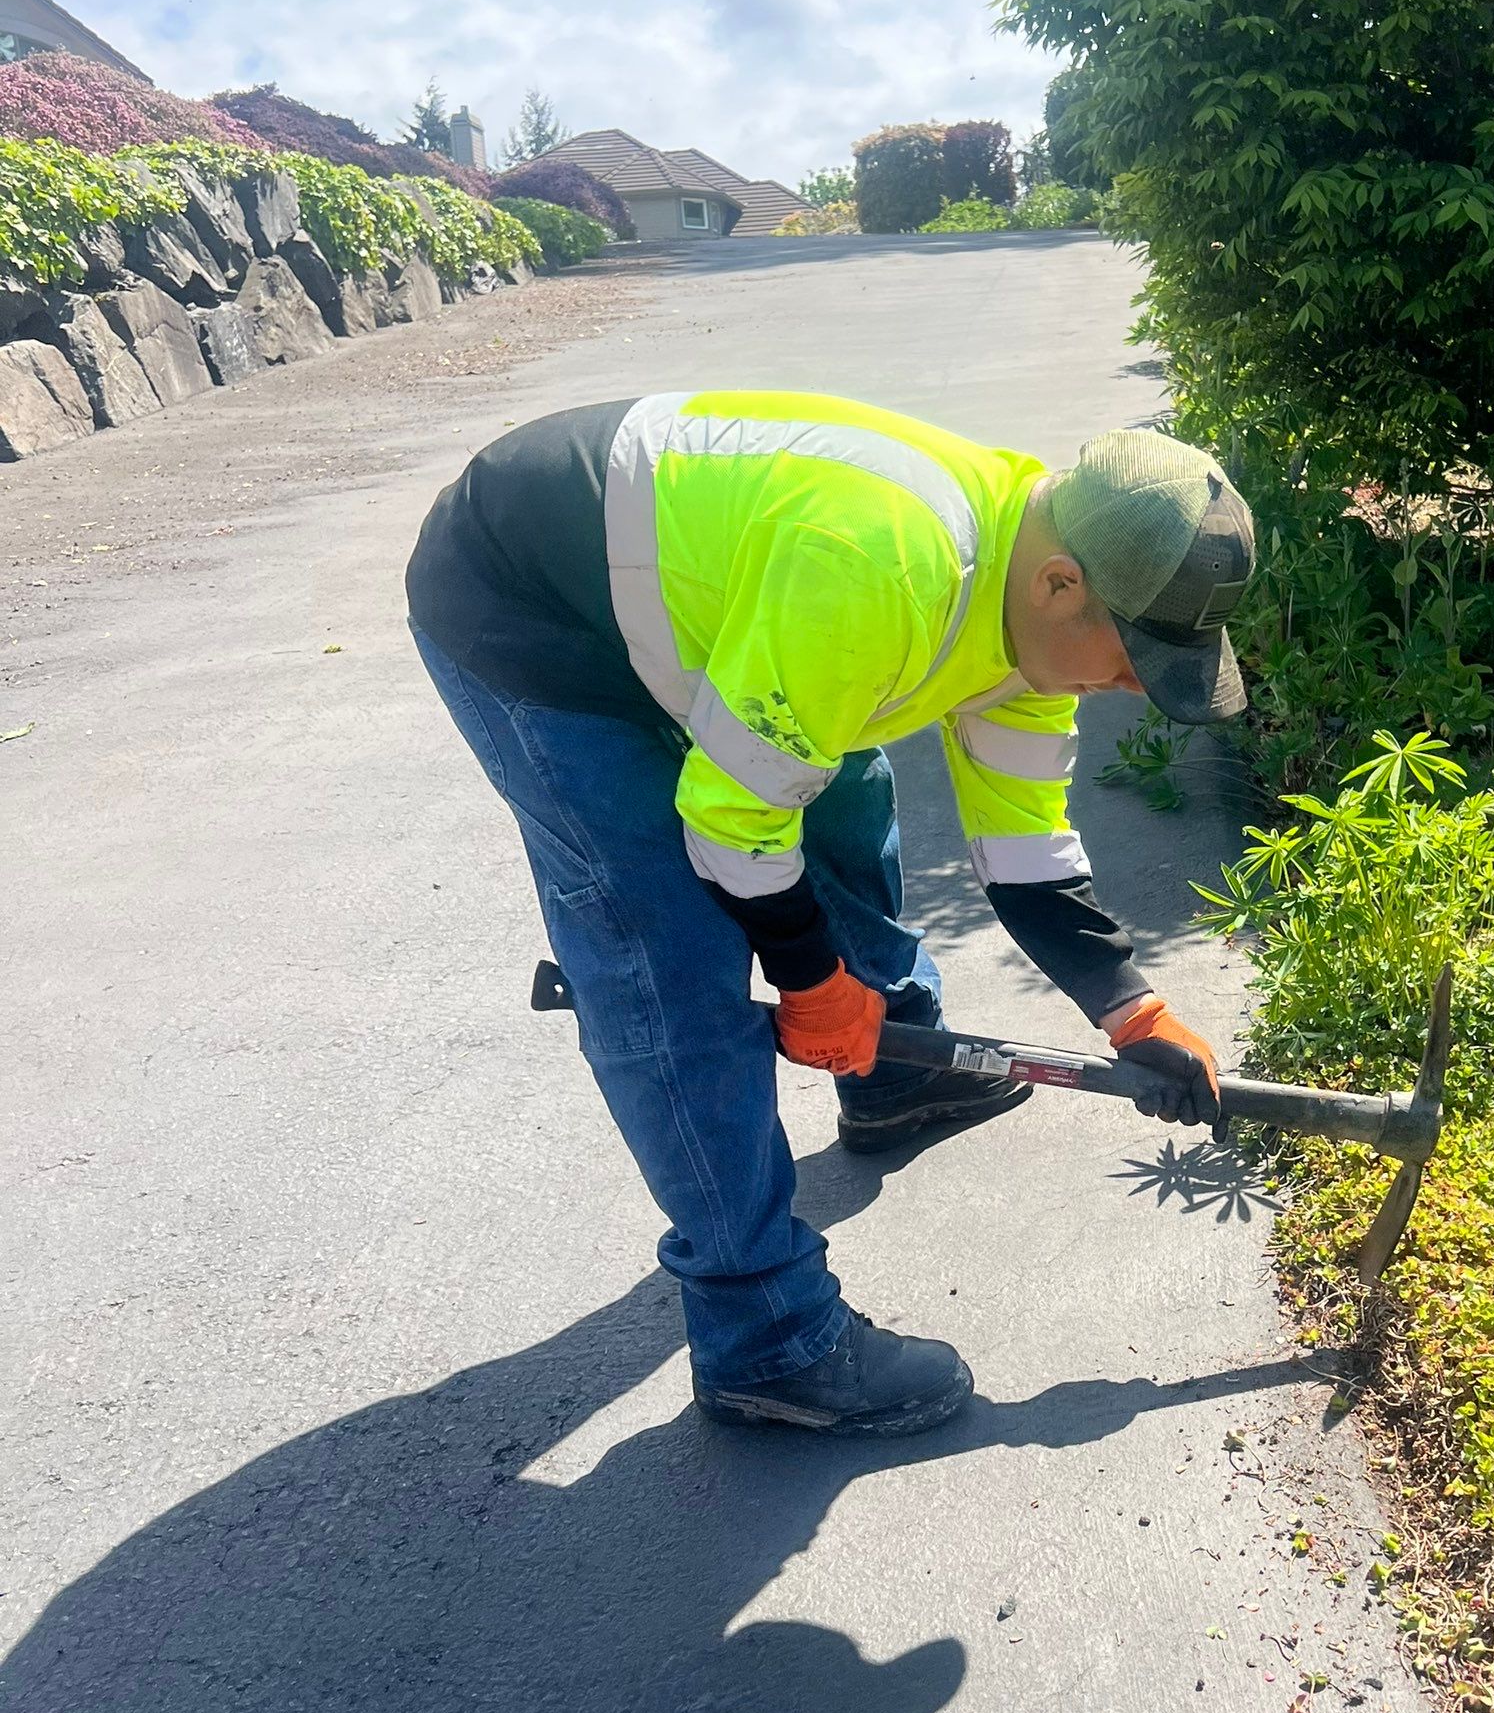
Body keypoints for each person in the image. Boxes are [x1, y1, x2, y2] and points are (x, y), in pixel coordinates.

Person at [406, 392, 1255, 1439]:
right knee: (665, 952)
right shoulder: (881, 568)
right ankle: (763, 1333)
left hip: (722, 597)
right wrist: (811, 980)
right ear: (1060, 583)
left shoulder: (1029, 611)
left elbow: (1026, 849)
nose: (1132, 685)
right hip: (532, 601)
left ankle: (894, 1070)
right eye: (1133, 656)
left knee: (845, 791)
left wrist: (1132, 1010)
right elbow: (733, 826)